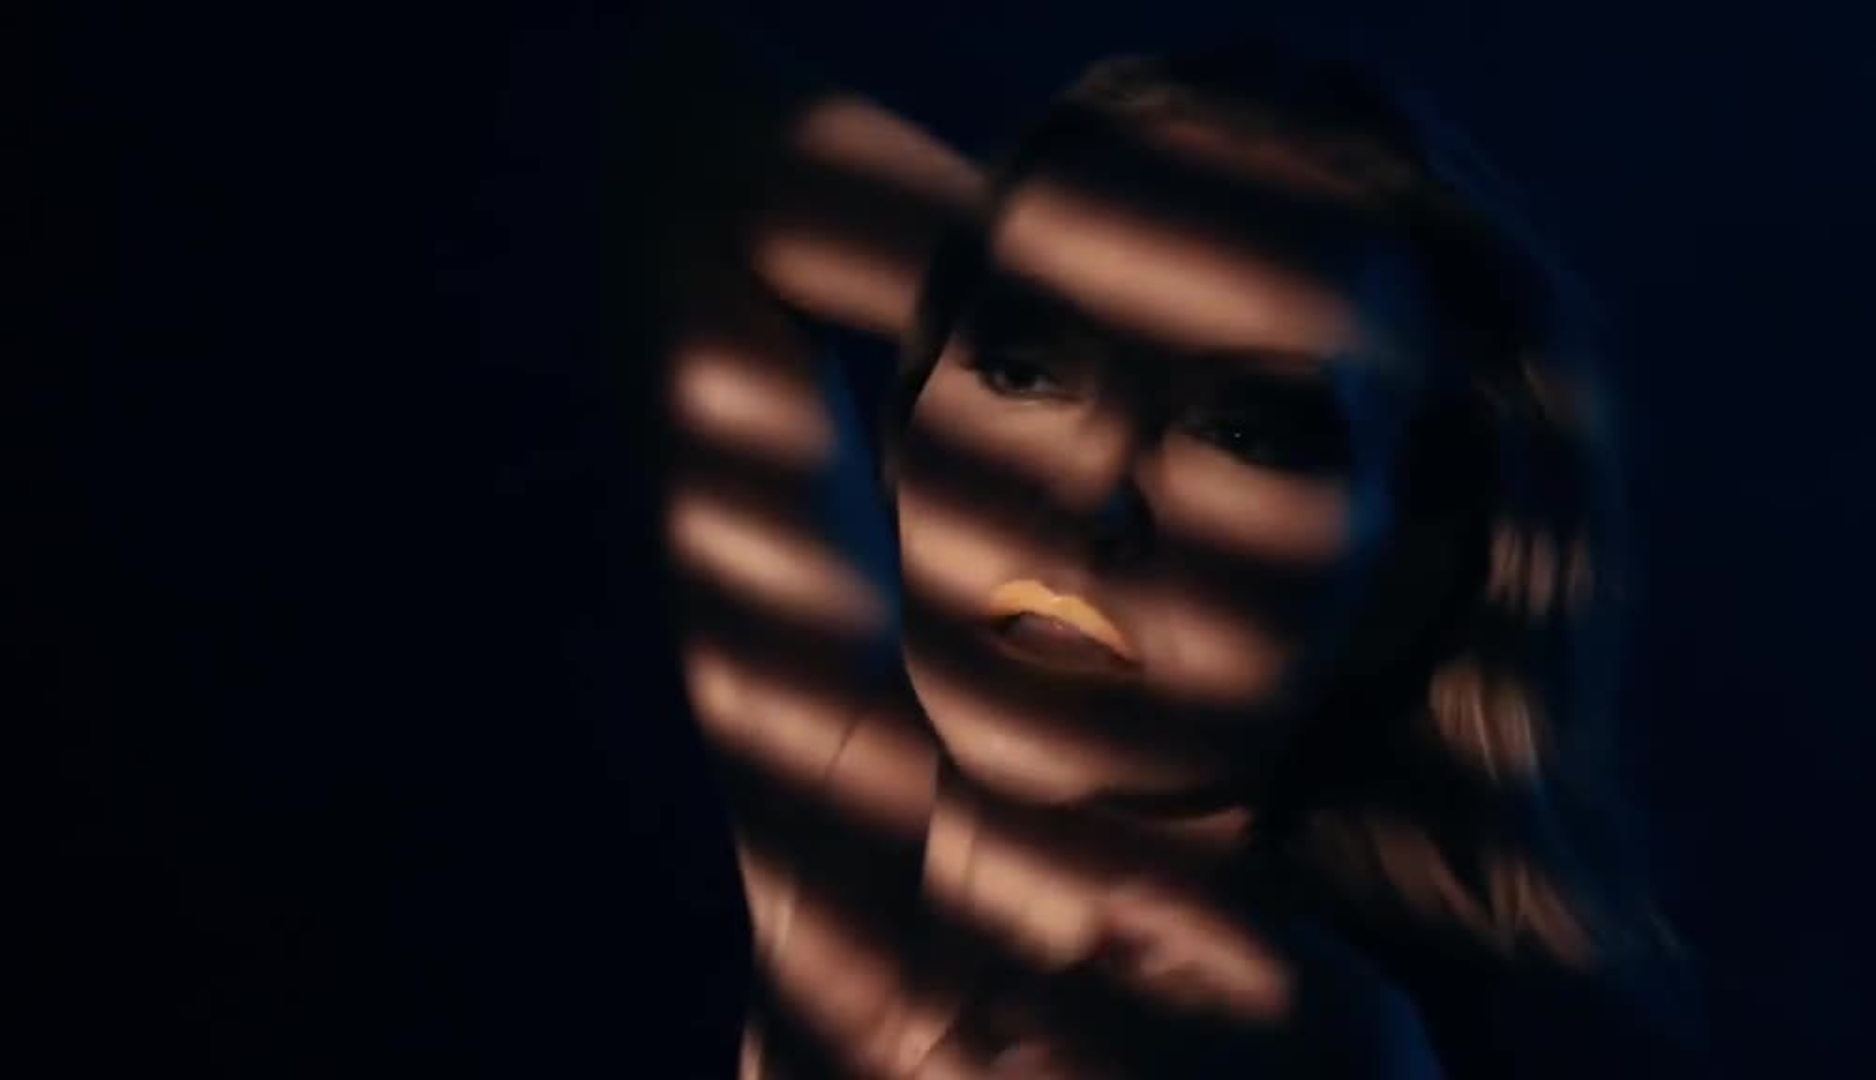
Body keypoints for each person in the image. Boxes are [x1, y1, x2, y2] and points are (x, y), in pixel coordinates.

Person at [654, 44, 1694, 1078]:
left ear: (1410, 577)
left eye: (1242, 431)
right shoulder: (865, 832)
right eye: (1020, 369)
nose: (1084, 498)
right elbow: (696, 151)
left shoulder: (1294, 1042)